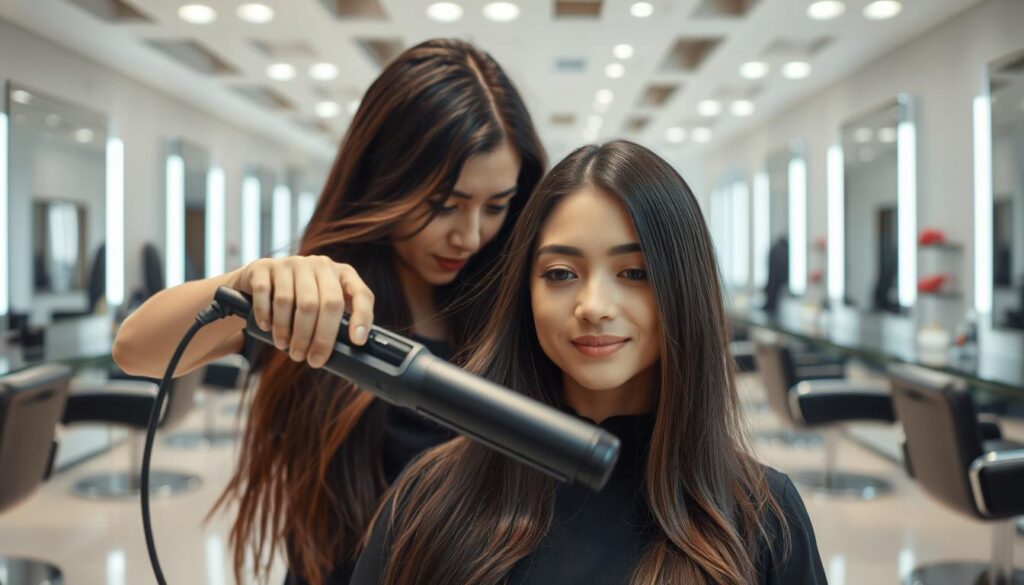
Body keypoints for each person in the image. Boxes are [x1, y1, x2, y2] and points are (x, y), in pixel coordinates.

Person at [111, 39, 545, 585]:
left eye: (497, 206)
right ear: (387, 178)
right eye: (444, 203)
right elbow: (135, 349)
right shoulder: (321, 304)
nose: (470, 233)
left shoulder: (512, 308)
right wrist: (244, 283)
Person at [352, 141, 827, 585]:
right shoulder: (430, 498)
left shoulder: (763, 520)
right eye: (560, 274)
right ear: (526, 294)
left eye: (634, 273)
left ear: (683, 290)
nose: (594, 305)